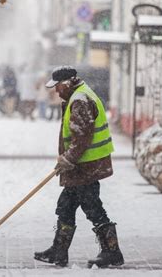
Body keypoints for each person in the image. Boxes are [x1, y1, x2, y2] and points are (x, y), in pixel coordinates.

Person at [34, 65, 124, 268]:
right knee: (66, 206)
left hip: (86, 166)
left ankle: (112, 251)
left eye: (57, 86)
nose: (56, 91)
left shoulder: (79, 100)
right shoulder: (77, 96)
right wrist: (68, 159)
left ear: (66, 83)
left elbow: (82, 138)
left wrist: (68, 159)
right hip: (80, 165)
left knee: (92, 207)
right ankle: (59, 251)